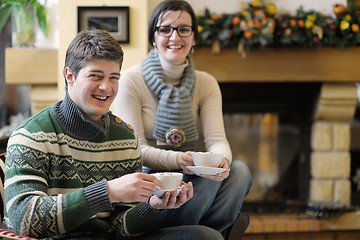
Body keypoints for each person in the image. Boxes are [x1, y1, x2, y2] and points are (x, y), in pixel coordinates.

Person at [3, 29, 224, 240]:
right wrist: (107, 193)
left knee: (207, 236)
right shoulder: (32, 134)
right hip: (61, 238)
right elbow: (24, 219)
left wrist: (153, 207)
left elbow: (121, 229)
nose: (106, 87)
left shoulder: (125, 138)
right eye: (96, 76)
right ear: (70, 76)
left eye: (114, 78)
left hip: (106, 237)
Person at [113, 0, 252, 234]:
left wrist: (221, 162)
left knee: (239, 171)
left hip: (191, 174)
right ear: (153, 38)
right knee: (205, 179)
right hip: (152, 181)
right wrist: (180, 161)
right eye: (165, 29)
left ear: (194, 38)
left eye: (184, 29)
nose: (175, 37)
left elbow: (217, 138)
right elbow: (135, 150)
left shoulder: (206, 83)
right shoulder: (130, 80)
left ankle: (201, 233)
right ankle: (199, 234)